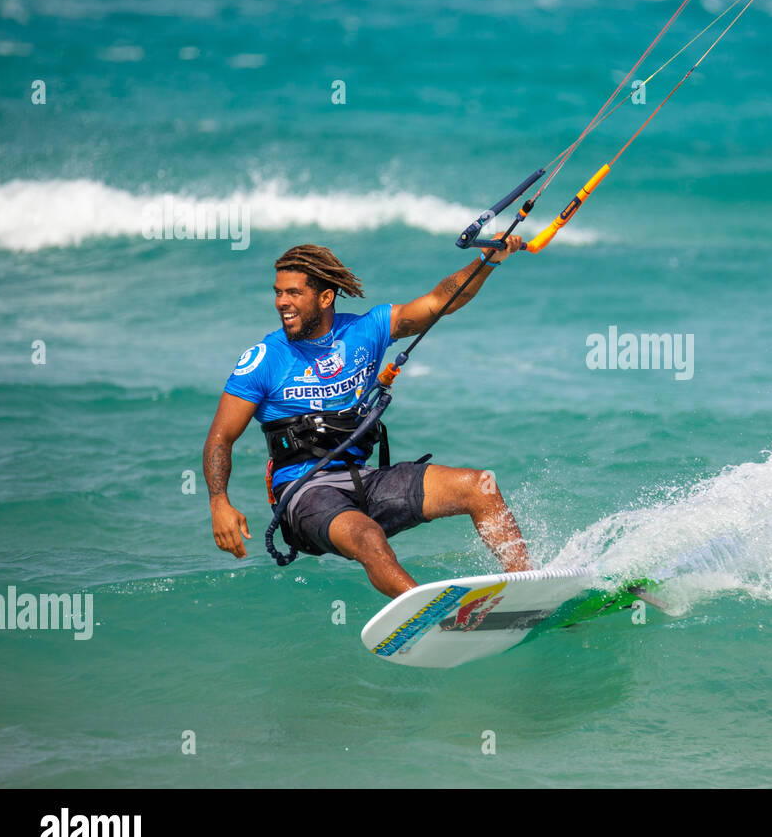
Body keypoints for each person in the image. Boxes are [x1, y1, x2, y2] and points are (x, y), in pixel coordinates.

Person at [204, 243, 531, 598]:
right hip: (304, 492)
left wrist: (488, 260)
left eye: (294, 293)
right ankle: (431, 612)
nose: (282, 302)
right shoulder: (265, 359)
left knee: (479, 486)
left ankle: (529, 590)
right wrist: (219, 502)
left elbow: (439, 302)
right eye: (278, 293)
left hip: (364, 480)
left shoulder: (367, 330)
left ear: (326, 297)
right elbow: (220, 438)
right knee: (367, 536)